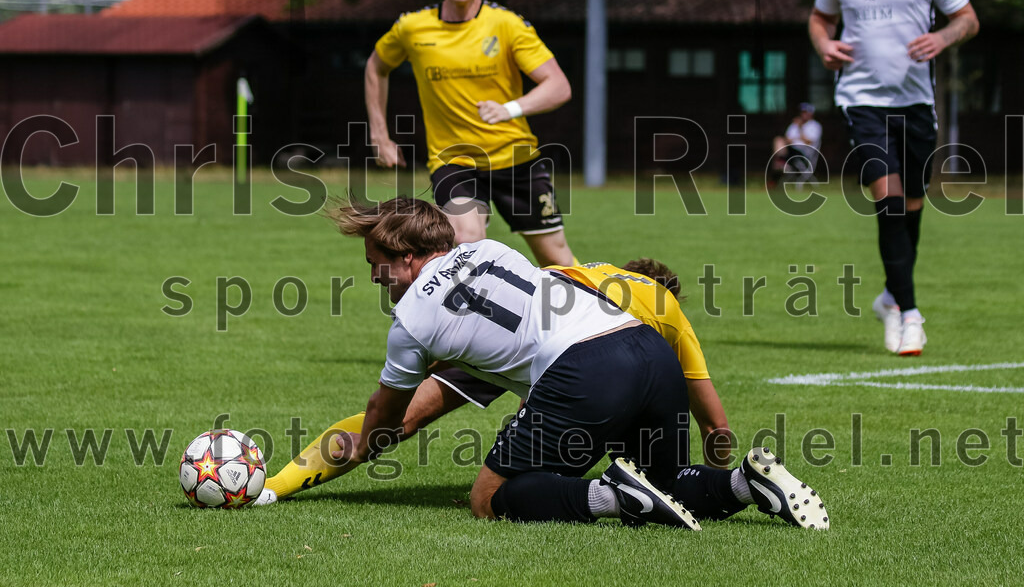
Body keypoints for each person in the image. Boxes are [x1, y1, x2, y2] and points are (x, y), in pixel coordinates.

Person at [259, 196, 830, 531]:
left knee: (487, 499)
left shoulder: (411, 321)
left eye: (376, 262)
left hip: (584, 369)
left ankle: (611, 496)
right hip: (649, 349)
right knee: (668, 485)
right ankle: (747, 484)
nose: (372, 276)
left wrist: (360, 446)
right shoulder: (492, 249)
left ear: (407, 257)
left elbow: (386, 417)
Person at [256, 256, 733, 507]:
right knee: (514, 490)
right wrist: (707, 465)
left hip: (512, 322)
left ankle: (274, 486)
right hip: (588, 355)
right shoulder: (665, 307)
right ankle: (715, 486)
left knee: (397, 419)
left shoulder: (583, 271)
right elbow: (716, 427)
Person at [808, 0, 979, 356]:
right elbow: (820, 19)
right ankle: (910, 314)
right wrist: (824, 45)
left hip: (916, 105)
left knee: (912, 207)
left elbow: (968, 18)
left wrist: (942, 38)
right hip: (861, 101)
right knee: (888, 199)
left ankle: (890, 298)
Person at [365, 0, 575, 267]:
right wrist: (379, 134)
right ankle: (490, 301)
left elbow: (558, 86)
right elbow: (376, 68)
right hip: (455, 160)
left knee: (558, 263)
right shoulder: (412, 28)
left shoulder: (507, 25)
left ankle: (594, 302)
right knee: (466, 241)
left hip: (515, 157)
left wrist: (509, 109)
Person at [771, 103, 823, 179]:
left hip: (805, 154)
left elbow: (808, 142)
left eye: (805, 112)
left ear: (811, 113)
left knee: (784, 151)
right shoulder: (794, 125)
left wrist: (800, 128)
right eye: (802, 112)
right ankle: (781, 162)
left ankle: (781, 164)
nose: (803, 114)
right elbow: (787, 139)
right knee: (778, 140)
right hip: (790, 150)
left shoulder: (815, 126)